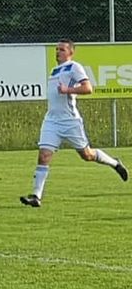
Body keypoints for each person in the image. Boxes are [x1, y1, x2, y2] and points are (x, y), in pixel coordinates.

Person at [20, 40, 127, 207]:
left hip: (70, 120)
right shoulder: (54, 70)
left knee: (87, 155)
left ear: (71, 53)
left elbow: (88, 88)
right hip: (52, 120)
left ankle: (114, 163)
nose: (57, 52)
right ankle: (36, 196)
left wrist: (68, 90)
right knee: (43, 155)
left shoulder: (74, 67)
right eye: (56, 49)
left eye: (61, 49)